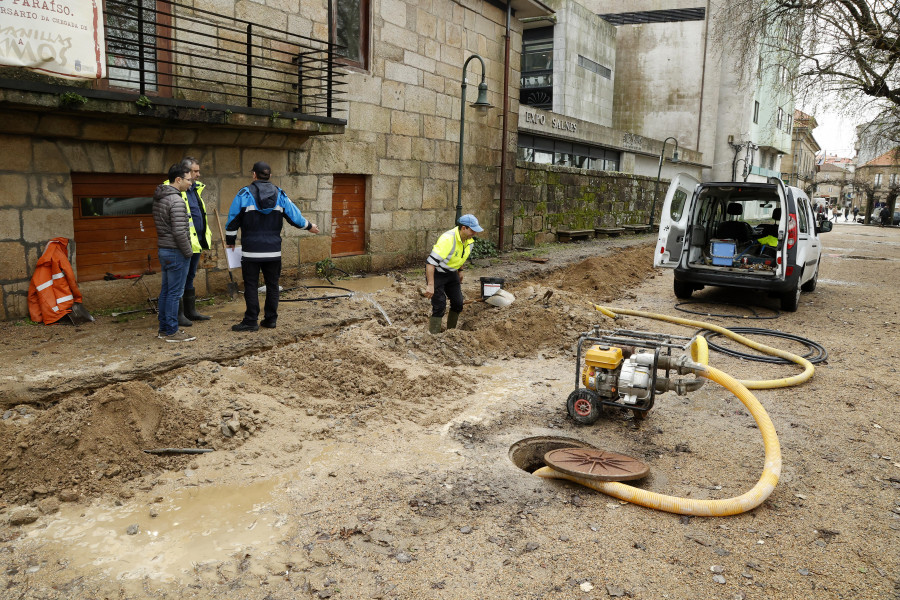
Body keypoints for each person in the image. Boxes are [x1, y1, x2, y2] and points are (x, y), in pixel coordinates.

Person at [225, 161, 319, 332]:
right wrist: (309, 226)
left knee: (251, 285)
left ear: (254, 175)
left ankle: (251, 321)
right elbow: (295, 217)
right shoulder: (281, 195)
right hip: (273, 251)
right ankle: (270, 320)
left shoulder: (244, 194)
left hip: (251, 252)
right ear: (269, 176)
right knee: (273, 285)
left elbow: (232, 220)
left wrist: (230, 241)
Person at [163, 157, 213, 326]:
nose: (198, 174)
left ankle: (190, 312)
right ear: (185, 172)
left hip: (196, 242)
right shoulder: (174, 188)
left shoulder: (195, 189)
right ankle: (177, 316)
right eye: (195, 171)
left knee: (190, 277)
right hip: (182, 244)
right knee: (178, 281)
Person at [153, 164, 196, 342]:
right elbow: (179, 232)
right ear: (178, 179)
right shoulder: (177, 201)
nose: (191, 184)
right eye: (188, 180)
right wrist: (188, 252)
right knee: (174, 293)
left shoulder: (160, 197)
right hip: (176, 251)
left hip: (164, 249)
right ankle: (171, 330)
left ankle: (164, 328)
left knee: (166, 291)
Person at [424, 214, 483, 334]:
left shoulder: (469, 241)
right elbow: (430, 263)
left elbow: (461, 255)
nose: (475, 233)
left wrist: (460, 270)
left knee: (458, 303)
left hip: (452, 274)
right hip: (437, 274)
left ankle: (451, 333)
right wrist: (431, 285)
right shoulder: (447, 239)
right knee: (440, 305)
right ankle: (433, 337)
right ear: (463, 228)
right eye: (472, 230)